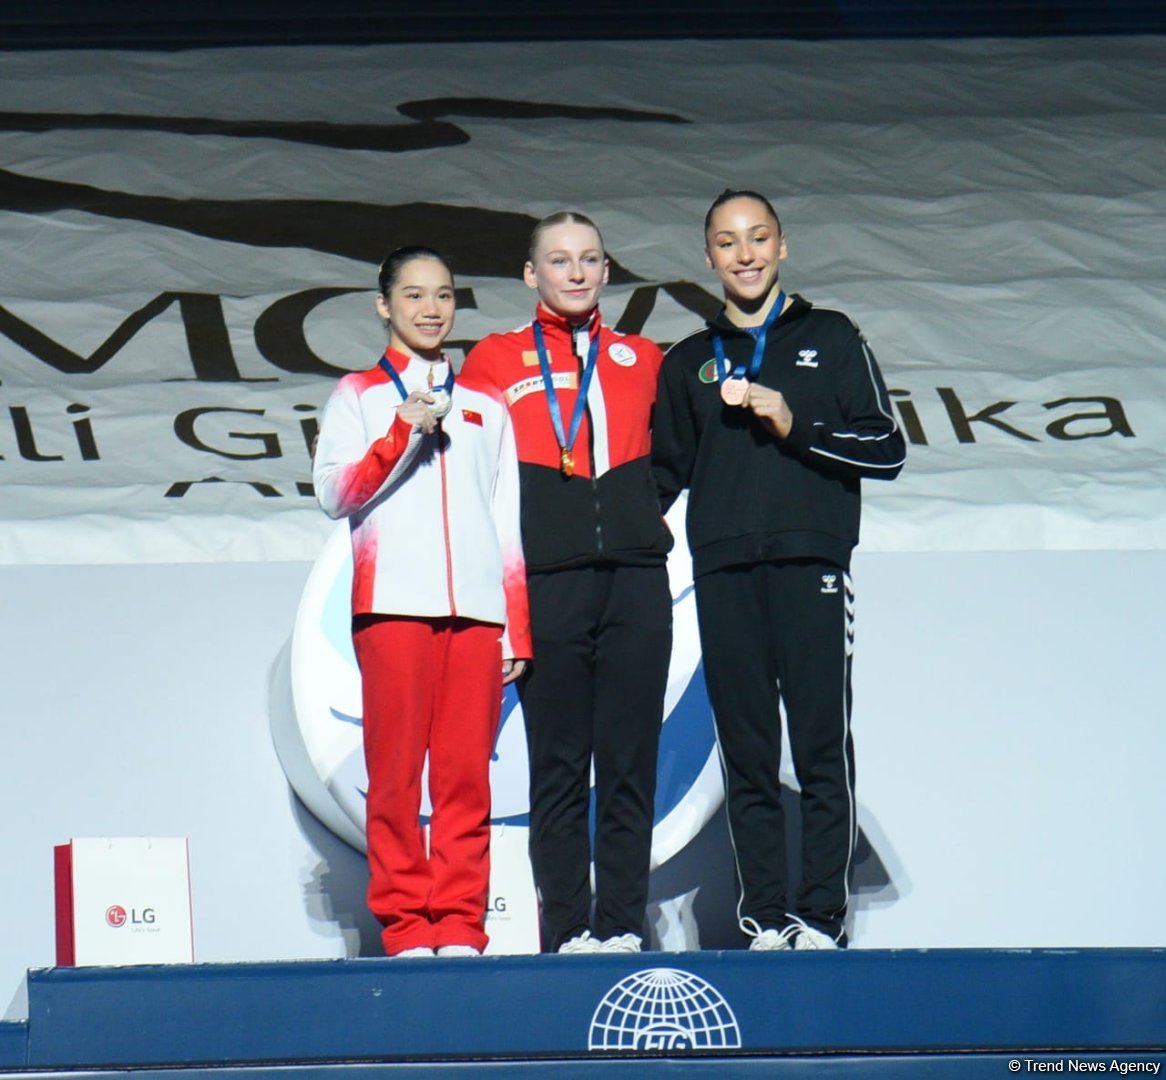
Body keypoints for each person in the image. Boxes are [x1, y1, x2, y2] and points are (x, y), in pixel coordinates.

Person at [652, 190, 906, 951]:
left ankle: (821, 918)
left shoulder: (830, 337)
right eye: (728, 243)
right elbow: (657, 482)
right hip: (725, 574)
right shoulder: (688, 361)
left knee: (822, 747)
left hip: (812, 567)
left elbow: (886, 449)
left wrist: (798, 425)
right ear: (709, 258)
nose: (745, 254)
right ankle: (764, 917)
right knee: (749, 753)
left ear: (782, 246)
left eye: (758, 238)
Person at [460, 212, 672, 954]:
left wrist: (636, 517)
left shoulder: (645, 358)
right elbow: (473, 478)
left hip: (637, 584)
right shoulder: (492, 360)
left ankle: (620, 927)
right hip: (548, 586)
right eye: (559, 260)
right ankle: (567, 932)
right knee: (557, 764)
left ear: (608, 271)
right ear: (531, 275)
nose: (576, 273)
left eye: (589, 259)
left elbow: (671, 461)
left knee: (628, 761)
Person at [313, 246, 530, 958]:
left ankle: (463, 922)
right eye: (413, 295)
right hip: (392, 610)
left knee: (467, 777)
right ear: (385, 305)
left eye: (442, 295)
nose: (431, 309)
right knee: (397, 775)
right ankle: (407, 924)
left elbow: (506, 520)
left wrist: (513, 626)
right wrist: (400, 431)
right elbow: (334, 494)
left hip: (475, 615)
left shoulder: (486, 407)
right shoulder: (357, 396)